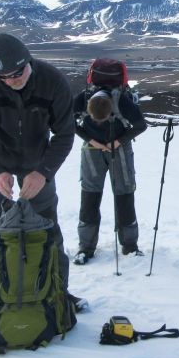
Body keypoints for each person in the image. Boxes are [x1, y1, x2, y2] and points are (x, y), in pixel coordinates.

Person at [0, 33, 75, 290]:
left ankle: (57, 297)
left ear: (28, 62)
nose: (12, 81)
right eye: (3, 78)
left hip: (38, 169)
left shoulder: (52, 81)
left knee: (48, 233)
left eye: (17, 74)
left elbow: (65, 133)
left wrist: (44, 172)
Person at [72, 84, 147, 264]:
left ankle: (129, 245)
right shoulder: (83, 99)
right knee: (90, 195)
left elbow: (140, 125)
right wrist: (92, 140)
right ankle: (85, 247)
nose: (99, 123)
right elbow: (66, 121)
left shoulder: (121, 101)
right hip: (92, 149)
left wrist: (119, 142)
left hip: (119, 150)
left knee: (124, 194)